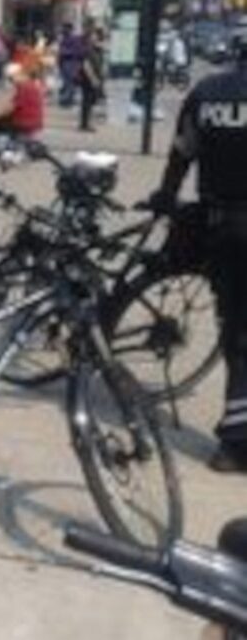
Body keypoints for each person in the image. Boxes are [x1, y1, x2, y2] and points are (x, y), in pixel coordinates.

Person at [145, 33, 247, 473]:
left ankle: (235, 440)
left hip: (222, 227)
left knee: (238, 333)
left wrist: (166, 197)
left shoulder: (208, 94)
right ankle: (238, 441)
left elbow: (181, 154)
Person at [0, 61, 46, 149]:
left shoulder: (24, 87)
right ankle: (6, 144)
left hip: (24, 122)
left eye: (11, 78)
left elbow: (13, 107)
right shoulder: (32, 85)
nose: (11, 81)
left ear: (20, 75)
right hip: (34, 121)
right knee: (1, 121)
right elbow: (13, 102)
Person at [79, 27, 106, 132]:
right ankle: (85, 124)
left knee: (90, 102)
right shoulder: (88, 50)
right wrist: (93, 78)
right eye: (94, 36)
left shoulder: (96, 50)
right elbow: (86, 65)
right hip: (88, 80)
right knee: (87, 102)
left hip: (92, 79)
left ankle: (86, 122)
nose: (96, 39)